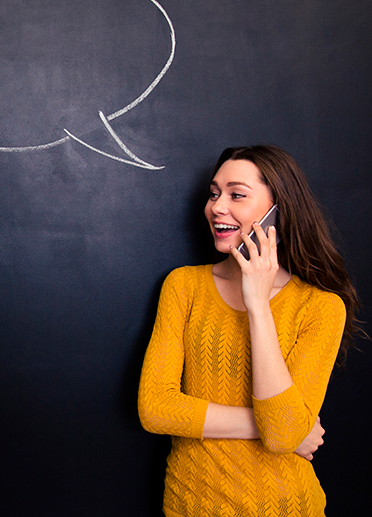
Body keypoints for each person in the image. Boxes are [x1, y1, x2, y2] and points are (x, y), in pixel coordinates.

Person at [138, 145, 364, 516]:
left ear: (278, 211)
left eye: (237, 195)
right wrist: (283, 427)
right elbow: (156, 408)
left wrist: (258, 305)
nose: (217, 207)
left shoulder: (320, 307)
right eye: (214, 193)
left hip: (286, 506)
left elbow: (281, 436)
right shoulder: (183, 287)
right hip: (190, 504)